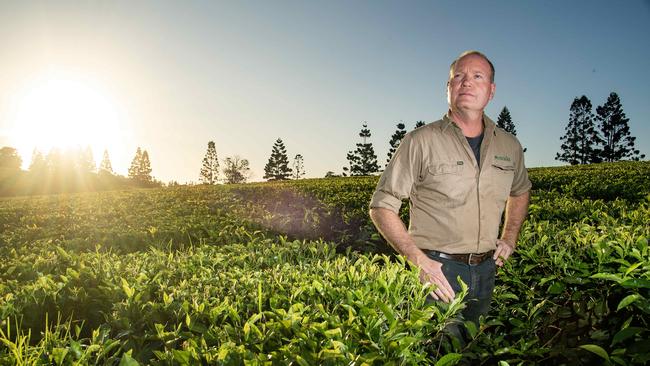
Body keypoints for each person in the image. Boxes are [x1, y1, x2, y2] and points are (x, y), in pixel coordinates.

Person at [368, 50, 531, 336]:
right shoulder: (421, 141)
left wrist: (509, 237)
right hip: (437, 270)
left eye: (477, 76)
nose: (466, 82)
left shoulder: (510, 145)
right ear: (448, 89)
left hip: (487, 270)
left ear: (491, 91)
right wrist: (418, 260)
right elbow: (381, 206)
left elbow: (520, 191)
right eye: (458, 77)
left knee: (471, 350)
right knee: (437, 351)